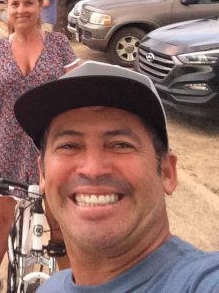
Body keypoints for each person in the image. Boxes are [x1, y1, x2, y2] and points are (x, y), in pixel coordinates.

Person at [14, 61, 219, 292]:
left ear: (167, 172)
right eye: (69, 145)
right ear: (42, 173)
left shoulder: (202, 282)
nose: (92, 169)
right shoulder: (48, 289)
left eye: (121, 145)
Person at [0, 0, 79, 293]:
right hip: (6, 146)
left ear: (41, 5)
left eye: (28, 2)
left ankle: (71, 284)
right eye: (14, 4)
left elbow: (77, 88)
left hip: (50, 147)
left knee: (57, 221)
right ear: (7, 8)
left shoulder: (58, 44)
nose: (21, 9)